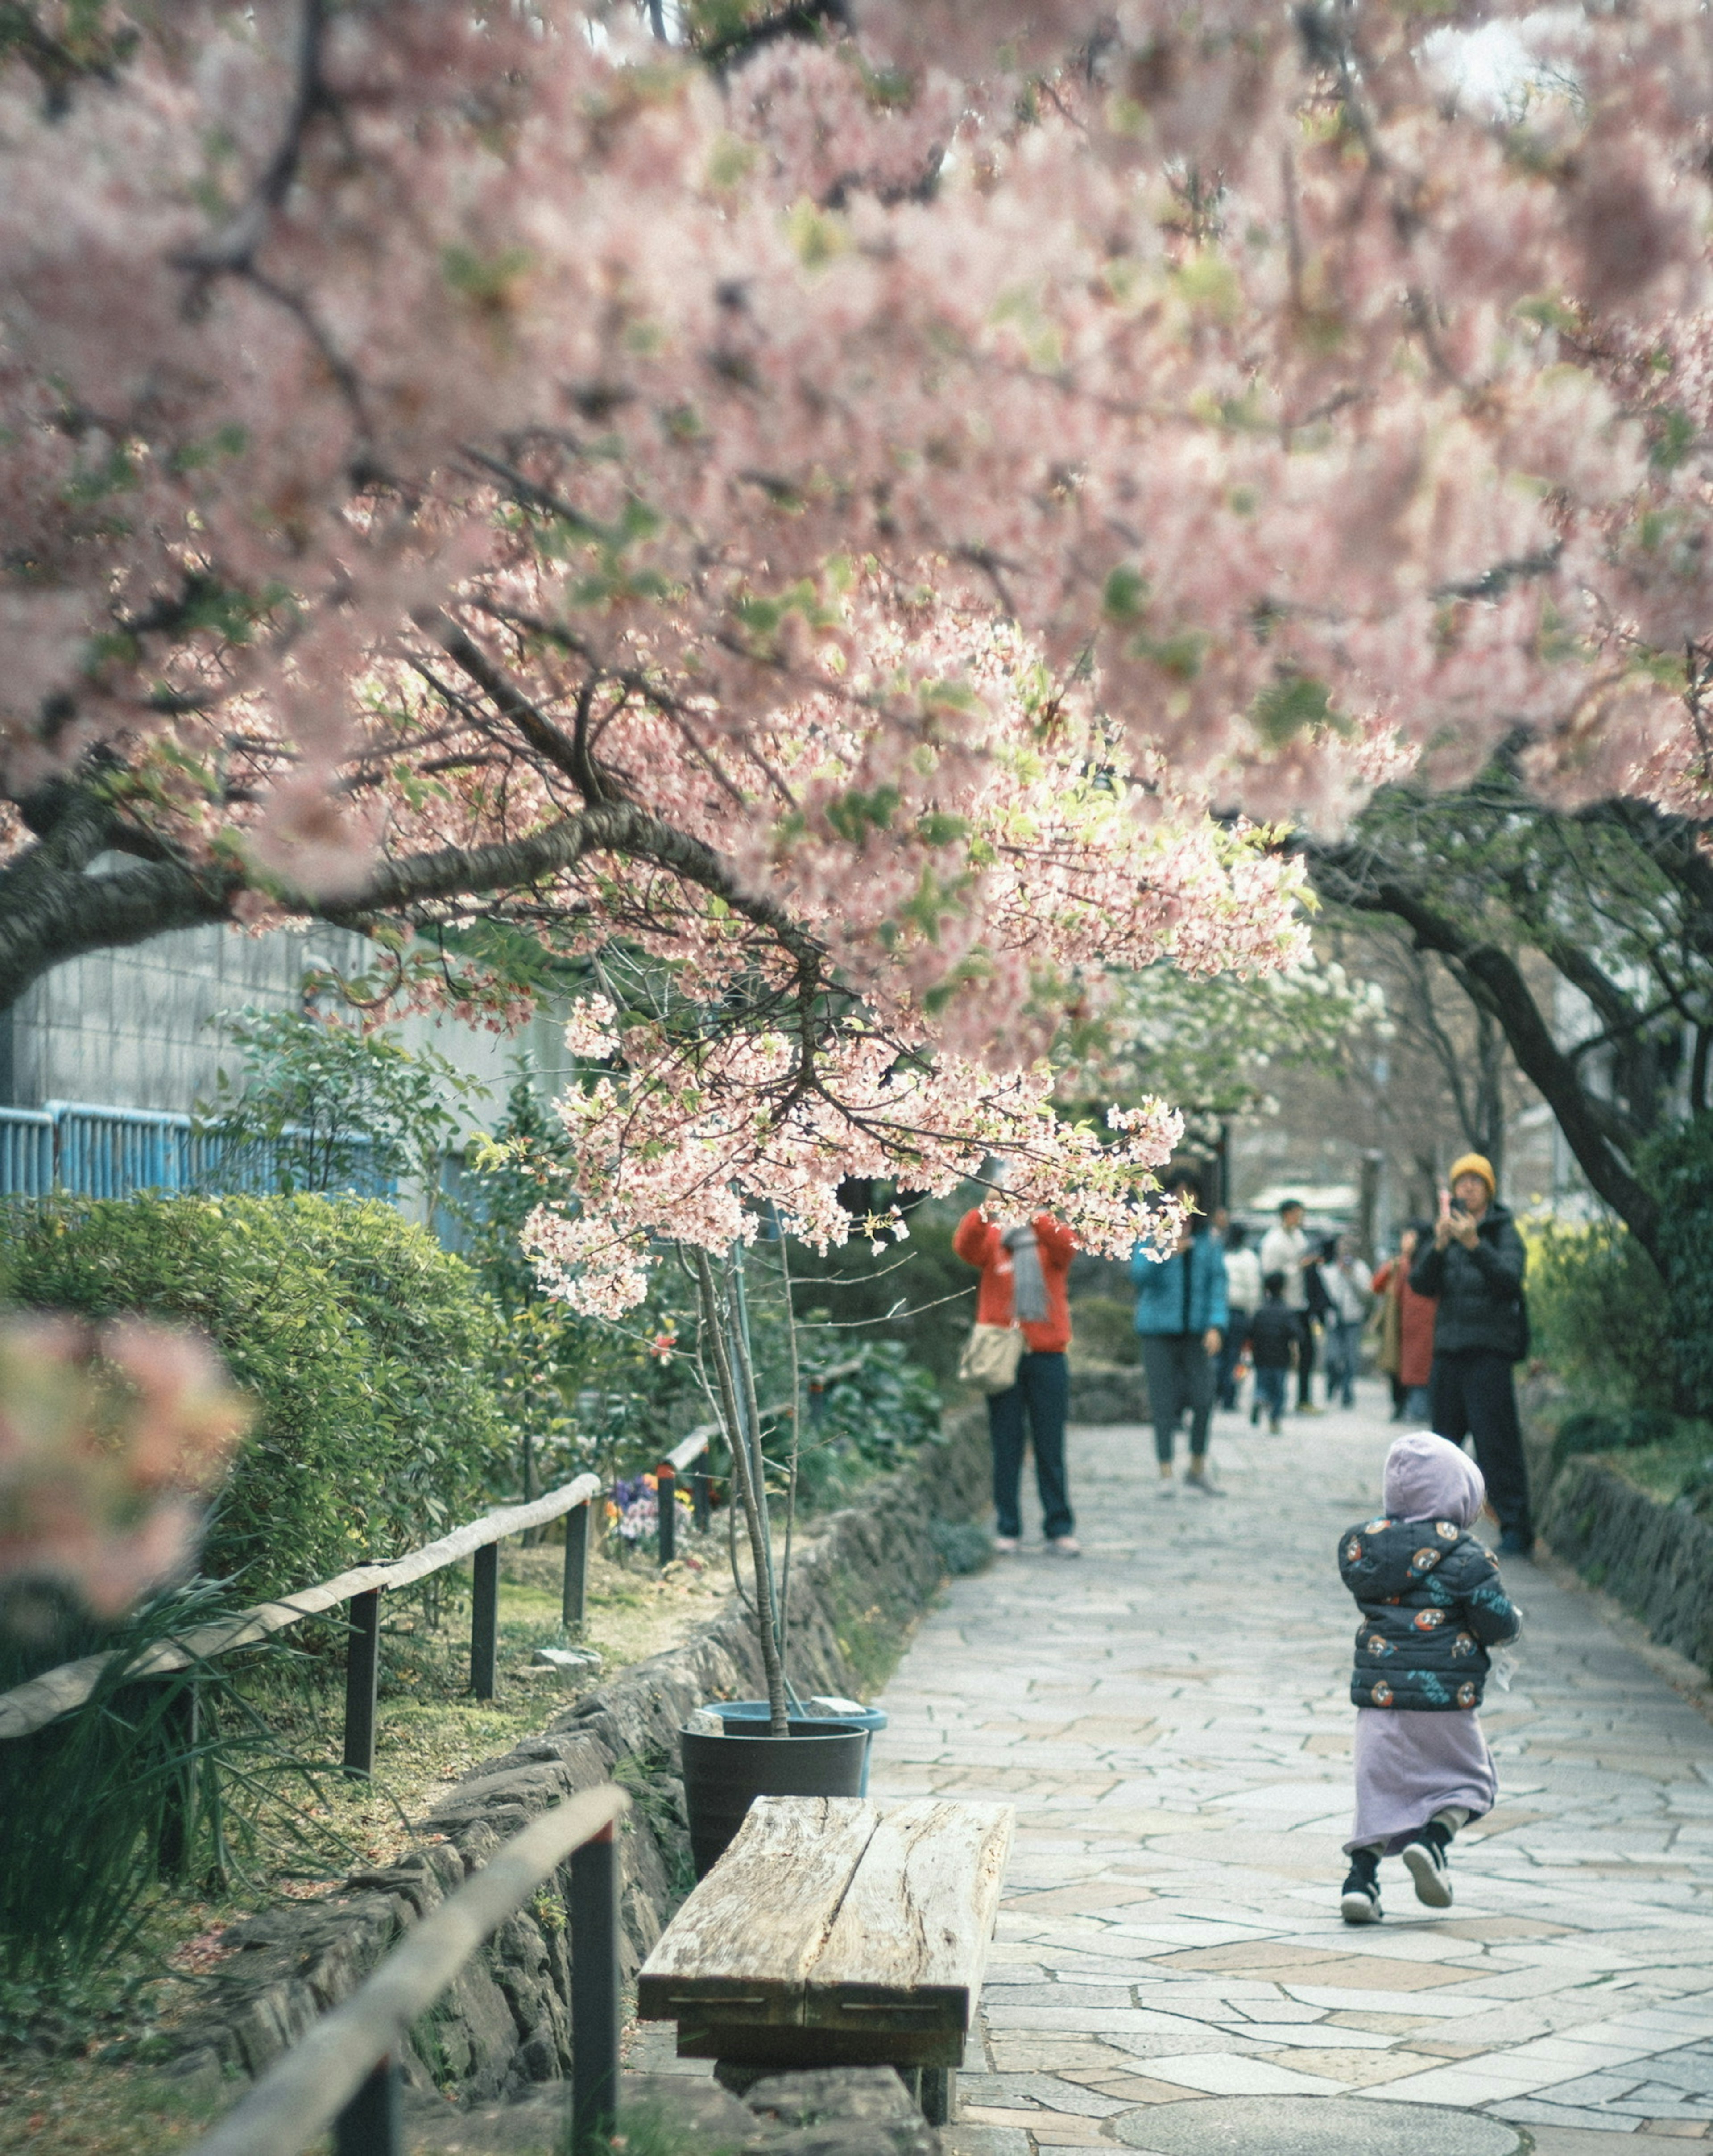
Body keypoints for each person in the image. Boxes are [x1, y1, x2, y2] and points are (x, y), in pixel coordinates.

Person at [1337, 1431, 1522, 1923]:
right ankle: (1433, 1842)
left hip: (1380, 1698)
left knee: (1378, 1790)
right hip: (1446, 1702)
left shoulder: (1368, 1551)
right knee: (1470, 1781)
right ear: (1457, 1496)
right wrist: (1512, 1623)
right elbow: (1496, 1620)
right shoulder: (1467, 1557)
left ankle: (1360, 1881)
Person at [1408, 1153, 1534, 1555]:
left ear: (1489, 1190)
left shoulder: (1501, 1230)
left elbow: (1510, 1281)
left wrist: (1475, 1245)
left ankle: (1516, 1527)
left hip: (1489, 1354)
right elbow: (1420, 1284)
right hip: (1449, 1351)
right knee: (1442, 1445)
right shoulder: (1443, 1230)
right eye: (1462, 1181)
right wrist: (1440, 1246)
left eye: (1476, 1182)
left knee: (1496, 1443)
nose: (1468, 1188)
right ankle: (1435, 1525)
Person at [954, 1185, 1080, 1556]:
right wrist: (984, 1211)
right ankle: (1008, 1526)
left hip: (1047, 1355)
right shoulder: (994, 1239)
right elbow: (964, 1247)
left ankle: (1059, 1527)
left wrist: (1036, 1213)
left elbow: (1069, 1248)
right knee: (1006, 1445)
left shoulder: (1049, 1235)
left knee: (1050, 1446)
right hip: (1003, 1356)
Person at [1131, 1173, 1229, 1496]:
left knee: (1204, 1399)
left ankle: (1197, 1467)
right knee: (1162, 1403)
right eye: (1178, 1194)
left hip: (1197, 1333)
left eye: (1191, 1194)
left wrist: (1216, 1325)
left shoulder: (1209, 1240)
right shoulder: (1150, 1232)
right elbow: (1139, 1275)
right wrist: (1164, 1252)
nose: (1185, 1201)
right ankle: (1166, 1472)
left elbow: (1218, 1284)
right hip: (1158, 1332)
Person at [1259, 1198, 1320, 1413]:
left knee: (1308, 1351)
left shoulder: (1299, 1237)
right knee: (1278, 1354)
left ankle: (1304, 1398)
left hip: (1302, 1302)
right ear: (1287, 1214)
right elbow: (1270, 1274)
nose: (1301, 1219)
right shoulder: (1273, 1242)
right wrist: (1298, 1267)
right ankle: (1271, 1396)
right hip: (1282, 1305)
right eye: (1297, 1214)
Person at [1372, 1224, 1436, 1424]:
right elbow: (1377, 1285)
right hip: (1404, 1327)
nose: (1405, 1241)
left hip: (1424, 1328)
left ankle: (1417, 1411)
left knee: (1419, 1372)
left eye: (1410, 1236)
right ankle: (1405, 1407)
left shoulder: (1427, 1262)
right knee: (1401, 1370)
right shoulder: (1401, 1264)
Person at [1319, 1235, 1371, 1410]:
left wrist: (1352, 1277)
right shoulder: (1329, 1269)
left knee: (1350, 1358)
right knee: (1332, 1358)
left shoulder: (1361, 1270)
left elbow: (1367, 1296)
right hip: (1334, 1321)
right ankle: (1333, 1381)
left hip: (1353, 1320)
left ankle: (1347, 1392)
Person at [1244, 1273, 1297, 1434]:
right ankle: (1274, 1421)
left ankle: (1259, 1398)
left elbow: (1250, 1331)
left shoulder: (1260, 1311)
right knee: (1279, 1391)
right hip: (1281, 1357)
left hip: (1261, 1356)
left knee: (1261, 1384)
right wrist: (1295, 1353)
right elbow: (1296, 1334)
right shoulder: (1287, 1312)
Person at [1217, 1223, 1262, 1411]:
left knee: (1218, 1356)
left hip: (1219, 1311)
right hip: (1239, 1312)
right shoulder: (1249, 1258)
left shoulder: (1222, 1255)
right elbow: (1254, 1289)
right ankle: (1230, 1396)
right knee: (1235, 1357)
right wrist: (1253, 1313)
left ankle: (1215, 1392)